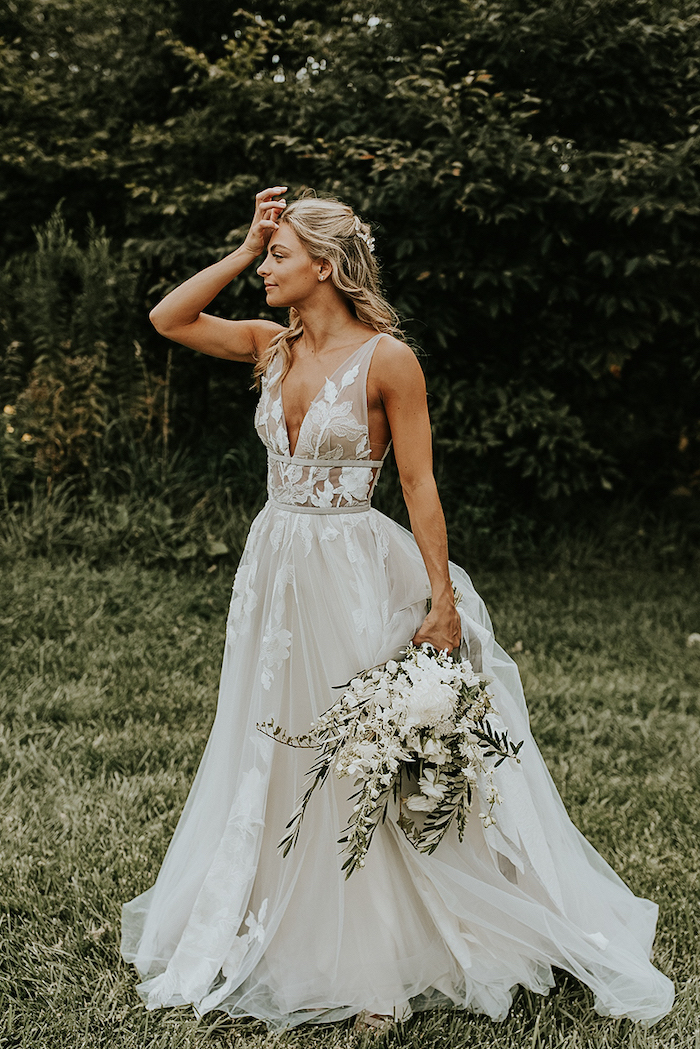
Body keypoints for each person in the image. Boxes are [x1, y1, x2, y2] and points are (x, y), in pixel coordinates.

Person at [121, 188, 674, 1031]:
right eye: (264, 257)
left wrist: (442, 602)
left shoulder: (388, 361)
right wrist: (242, 247)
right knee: (272, 734)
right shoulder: (271, 346)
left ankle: (377, 949)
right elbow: (168, 317)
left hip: (354, 568)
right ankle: (274, 910)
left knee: (359, 749)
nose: (266, 270)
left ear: (328, 265)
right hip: (277, 567)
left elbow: (419, 484)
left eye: (278, 256)